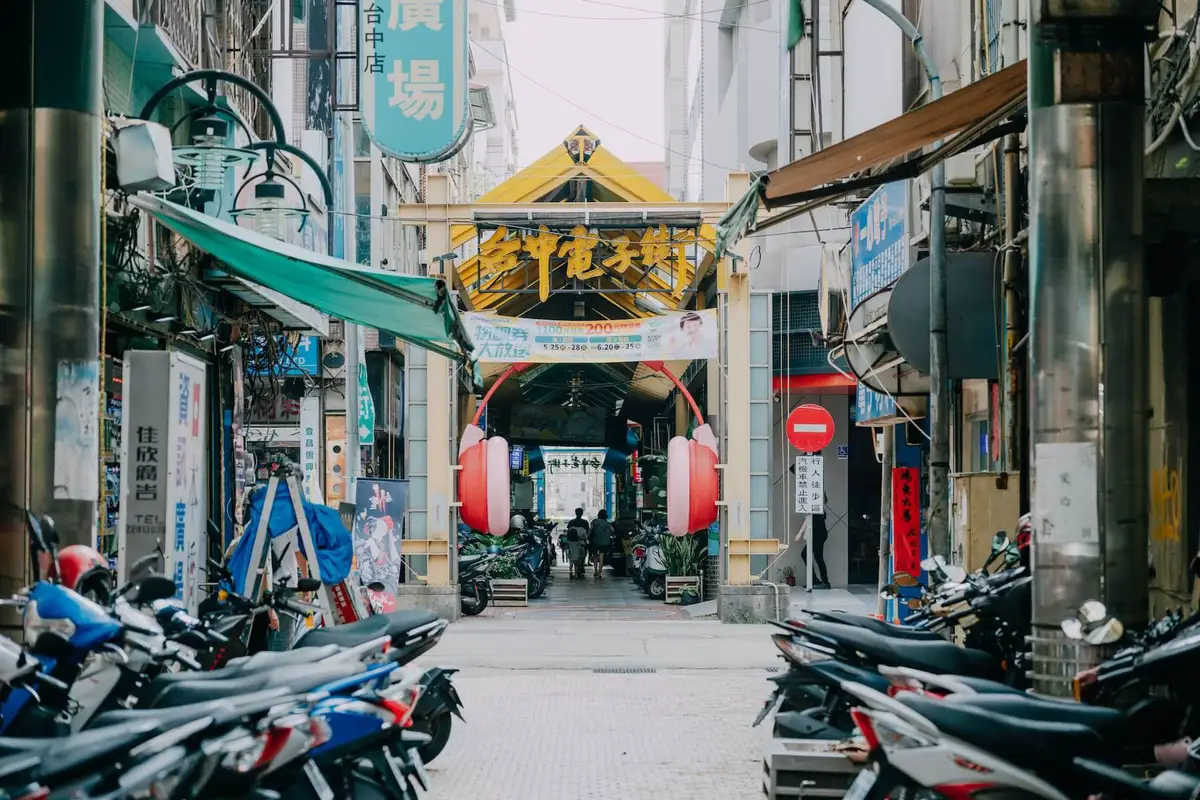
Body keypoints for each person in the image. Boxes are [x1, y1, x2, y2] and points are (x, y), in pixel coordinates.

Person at [799, 495, 831, 589]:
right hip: (818, 533)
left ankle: (820, 581)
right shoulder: (818, 506)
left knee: (812, 556)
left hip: (819, 534)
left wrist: (800, 533)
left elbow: (808, 519)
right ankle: (817, 581)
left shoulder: (818, 506)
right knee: (815, 557)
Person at [566, 508, 590, 579]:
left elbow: (568, 533)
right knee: (582, 556)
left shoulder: (571, 522)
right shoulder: (585, 522)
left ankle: (571, 571)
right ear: (582, 513)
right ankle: (579, 569)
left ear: (575, 513)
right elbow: (587, 533)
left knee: (572, 556)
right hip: (581, 543)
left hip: (572, 543)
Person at [590, 509, 614, 578]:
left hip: (594, 541)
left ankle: (595, 571)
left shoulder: (594, 521)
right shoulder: (607, 523)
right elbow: (612, 530)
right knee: (601, 556)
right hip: (604, 542)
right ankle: (600, 573)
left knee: (595, 556)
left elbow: (590, 529)